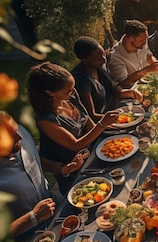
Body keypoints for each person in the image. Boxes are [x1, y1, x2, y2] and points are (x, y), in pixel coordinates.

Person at [0, 111, 85, 240]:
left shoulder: (17, 133)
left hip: (58, 207)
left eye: (16, 129)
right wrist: (32, 217)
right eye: (10, 137)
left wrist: (60, 169)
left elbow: (32, 159)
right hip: (30, 239)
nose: (19, 137)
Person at [27, 62, 120, 194]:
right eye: (68, 90)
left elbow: (86, 119)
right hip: (72, 170)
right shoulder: (46, 119)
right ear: (50, 93)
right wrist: (102, 124)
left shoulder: (71, 97)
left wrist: (107, 137)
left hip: (92, 156)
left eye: (73, 87)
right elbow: (75, 145)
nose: (73, 92)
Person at [108, 20, 158, 88]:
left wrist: (154, 63)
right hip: (133, 91)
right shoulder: (115, 57)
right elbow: (123, 83)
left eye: (145, 39)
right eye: (142, 40)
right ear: (131, 39)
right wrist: (147, 70)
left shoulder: (141, 40)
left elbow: (147, 55)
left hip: (148, 83)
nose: (145, 42)